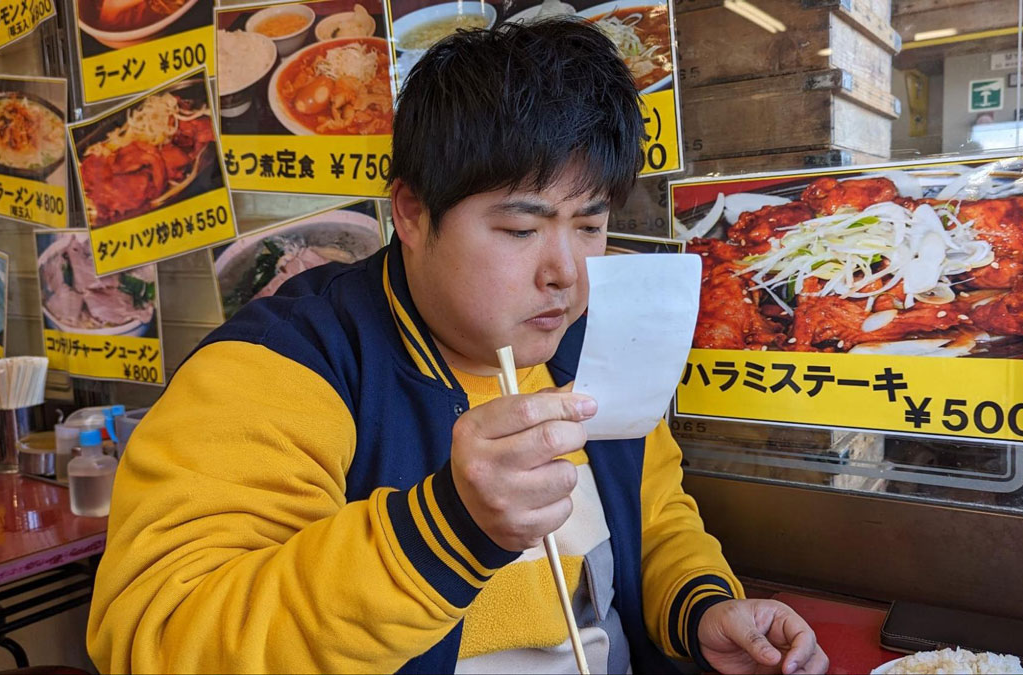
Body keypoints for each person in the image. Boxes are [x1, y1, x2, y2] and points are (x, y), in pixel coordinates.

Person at [86, 18, 829, 675]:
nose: (565, 272)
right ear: (411, 212)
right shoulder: (281, 366)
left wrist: (703, 612)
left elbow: (656, 517)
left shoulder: (585, 345)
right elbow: (159, 637)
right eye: (521, 228)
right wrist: (444, 529)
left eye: (590, 224)